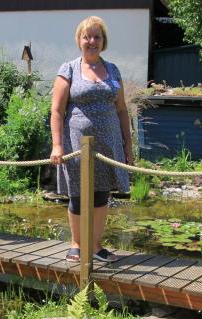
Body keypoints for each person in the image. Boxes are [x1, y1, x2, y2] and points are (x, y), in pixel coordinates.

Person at [49, 16, 133, 263]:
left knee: (100, 195)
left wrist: (128, 146)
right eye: (87, 36)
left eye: (97, 36)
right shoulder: (69, 69)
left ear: (103, 41)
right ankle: (76, 244)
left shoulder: (113, 70)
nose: (92, 41)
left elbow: (121, 110)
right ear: (79, 40)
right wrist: (57, 145)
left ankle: (95, 246)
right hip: (77, 145)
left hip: (108, 144)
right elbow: (56, 110)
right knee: (77, 195)